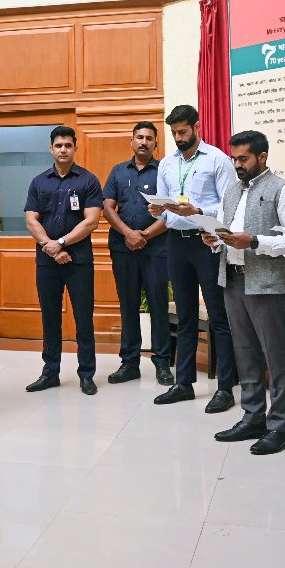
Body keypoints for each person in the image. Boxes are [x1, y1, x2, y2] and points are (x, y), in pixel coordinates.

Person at [205, 130, 285, 456]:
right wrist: (214, 239)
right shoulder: (232, 191)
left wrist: (256, 242)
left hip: (266, 283)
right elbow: (223, 229)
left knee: (274, 355)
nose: (237, 164)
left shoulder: (283, 190)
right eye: (234, 158)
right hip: (232, 280)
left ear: (262, 157)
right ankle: (252, 417)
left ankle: (279, 426)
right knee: (244, 351)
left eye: (243, 158)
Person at [148, 104, 238, 412]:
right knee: (185, 316)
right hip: (176, 242)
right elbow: (163, 202)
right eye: (173, 133)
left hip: (206, 242)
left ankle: (225, 388)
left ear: (196, 126)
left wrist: (199, 211)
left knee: (218, 316)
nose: (178, 138)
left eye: (183, 132)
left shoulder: (218, 160)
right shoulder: (166, 164)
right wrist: (157, 209)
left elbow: (229, 207)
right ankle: (183, 383)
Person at [23, 126, 103, 396]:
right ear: (51, 149)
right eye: (58, 145)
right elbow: (31, 220)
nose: (63, 150)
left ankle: (86, 374)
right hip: (47, 261)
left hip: (79, 261)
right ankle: (50, 372)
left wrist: (62, 243)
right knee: (50, 318)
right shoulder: (38, 182)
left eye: (68, 145)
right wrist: (51, 247)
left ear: (75, 148)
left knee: (83, 318)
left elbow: (91, 221)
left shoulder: (89, 181)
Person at [101, 122, 173, 386]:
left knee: (158, 305)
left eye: (149, 138)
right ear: (131, 141)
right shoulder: (118, 172)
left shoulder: (164, 172)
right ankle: (129, 363)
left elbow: (171, 212)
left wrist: (145, 236)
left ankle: (163, 363)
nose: (143, 142)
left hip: (156, 249)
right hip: (123, 249)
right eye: (139, 137)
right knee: (128, 305)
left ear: (156, 144)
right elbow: (107, 208)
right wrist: (128, 234)